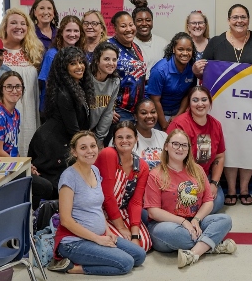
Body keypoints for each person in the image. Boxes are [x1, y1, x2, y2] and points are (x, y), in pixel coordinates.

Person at [197, 4, 252, 208]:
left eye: (243, 17)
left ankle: (245, 188)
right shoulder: (216, 42)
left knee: (247, 144)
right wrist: (197, 69)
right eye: (235, 17)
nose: (240, 21)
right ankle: (230, 189)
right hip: (224, 105)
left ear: (248, 19)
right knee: (228, 145)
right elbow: (203, 72)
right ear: (229, 20)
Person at [49, 131, 146, 275]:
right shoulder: (69, 177)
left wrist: (108, 232)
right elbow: (66, 221)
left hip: (99, 235)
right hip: (74, 242)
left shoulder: (94, 170)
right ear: (74, 152)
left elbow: (97, 208)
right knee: (126, 263)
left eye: (93, 146)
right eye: (83, 148)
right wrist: (98, 239)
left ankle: (94, 255)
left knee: (139, 255)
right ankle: (71, 268)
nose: (89, 151)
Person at [144, 129, 237, 268]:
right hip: (167, 225)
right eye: (175, 144)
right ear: (166, 146)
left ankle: (194, 253)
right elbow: (153, 212)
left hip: (194, 222)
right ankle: (211, 244)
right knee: (171, 233)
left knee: (225, 220)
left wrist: (196, 219)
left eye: (184, 145)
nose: (180, 148)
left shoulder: (197, 170)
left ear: (189, 149)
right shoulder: (155, 174)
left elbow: (208, 201)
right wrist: (182, 222)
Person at [29, 47, 94, 198]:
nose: (79, 67)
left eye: (81, 62)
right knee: (57, 190)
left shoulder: (78, 87)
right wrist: (89, 148)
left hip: (63, 141)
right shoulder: (64, 93)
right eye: (73, 64)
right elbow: (74, 131)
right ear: (64, 68)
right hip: (52, 144)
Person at [94, 122, 152, 252]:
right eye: (120, 137)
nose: (124, 141)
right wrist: (121, 228)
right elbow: (107, 196)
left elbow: (136, 202)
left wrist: (135, 234)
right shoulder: (108, 154)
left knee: (144, 244)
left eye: (129, 137)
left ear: (136, 139)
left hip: (120, 210)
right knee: (124, 245)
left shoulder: (142, 166)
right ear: (114, 140)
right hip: (99, 211)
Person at [166, 86, 226, 212]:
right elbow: (168, 158)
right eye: (195, 100)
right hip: (179, 177)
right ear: (189, 103)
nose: (200, 104)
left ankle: (195, 214)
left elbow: (219, 157)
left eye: (204, 99)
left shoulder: (216, 125)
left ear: (210, 102)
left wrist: (214, 184)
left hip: (204, 176)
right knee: (188, 202)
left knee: (218, 201)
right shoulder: (179, 124)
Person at [0, 8, 43, 153]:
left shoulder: (34, 51)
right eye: (13, 23)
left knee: (27, 147)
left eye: (23, 23)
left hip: (29, 110)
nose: (19, 27)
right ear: (5, 26)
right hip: (3, 111)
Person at [147, 32, 196, 130]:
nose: (185, 53)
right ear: (174, 49)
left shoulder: (192, 68)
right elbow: (155, 100)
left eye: (189, 50)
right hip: (157, 111)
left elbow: (187, 94)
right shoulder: (159, 70)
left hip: (178, 111)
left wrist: (178, 116)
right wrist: (164, 124)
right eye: (180, 49)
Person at [38, 15, 85, 113]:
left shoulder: (81, 54)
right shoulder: (52, 54)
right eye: (68, 30)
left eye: (76, 31)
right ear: (61, 32)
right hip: (53, 108)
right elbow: (46, 83)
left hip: (73, 106)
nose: (72, 34)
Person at [108, 11, 146, 125]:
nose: (129, 29)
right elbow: (98, 79)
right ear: (115, 28)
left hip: (136, 111)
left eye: (131, 24)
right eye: (123, 26)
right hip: (119, 111)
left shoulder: (136, 47)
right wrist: (107, 109)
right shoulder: (108, 47)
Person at [88, 42, 120, 145]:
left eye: (114, 60)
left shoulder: (115, 81)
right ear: (97, 60)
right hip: (78, 131)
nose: (111, 63)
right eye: (106, 59)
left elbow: (108, 113)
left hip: (96, 132)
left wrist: (99, 139)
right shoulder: (86, 77)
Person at [132, 0, 169, 80]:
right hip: (136, 89)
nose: (144, 24)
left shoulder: (163, 43)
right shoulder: (129, 43)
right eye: (139, 20)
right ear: (133, 22)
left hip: (159, 88)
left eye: (148, 20)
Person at [134, 98, 168, 169]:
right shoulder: (125, 137)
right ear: (135, 117)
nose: (149, 116)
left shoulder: (164, 136)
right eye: (144, 113)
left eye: (153, 112)